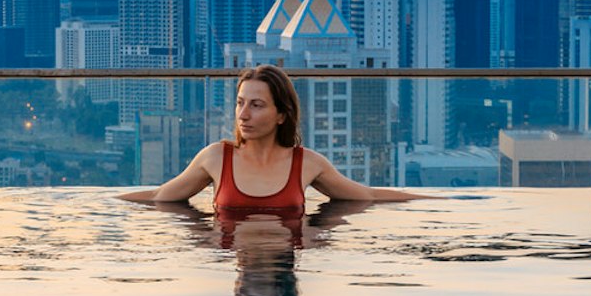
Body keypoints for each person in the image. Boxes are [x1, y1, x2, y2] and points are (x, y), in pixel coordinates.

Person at [121, 64, 417, 211]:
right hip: (234, 264)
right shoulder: (215, 157)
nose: (243, 114)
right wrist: (106, 202)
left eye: (256, 105)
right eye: (240, 103)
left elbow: (367, 195)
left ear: (281, 114)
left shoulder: (308, 164)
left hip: (284, 270)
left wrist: (436, 200)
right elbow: (160, 196)